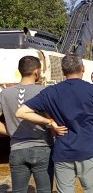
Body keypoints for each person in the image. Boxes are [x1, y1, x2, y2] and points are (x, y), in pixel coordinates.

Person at [16, 54, 93, 193]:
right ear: (82, 68)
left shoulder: (49, 92)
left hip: (63, 155)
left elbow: (21, 112)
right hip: (90, 153)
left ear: (63, 71)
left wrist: (50, 122)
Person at [0, 56, 66, 193]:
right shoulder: (44, 91)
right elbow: (56, 118)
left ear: (20, 71)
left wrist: (10, 132)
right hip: (43, 148)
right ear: (37, 71)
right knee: (44, 190)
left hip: (17, 149)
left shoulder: (4, 93)